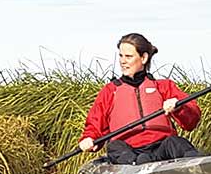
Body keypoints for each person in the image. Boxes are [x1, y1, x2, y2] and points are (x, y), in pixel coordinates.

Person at [77, 33, 203, 165]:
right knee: (115, 147)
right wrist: (89, 138)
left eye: (128, 57)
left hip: (161, 149)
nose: (122, 61)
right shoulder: (110, 91)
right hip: (129, 152)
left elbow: (192, 120)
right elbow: (95, 125)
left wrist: (179, 107)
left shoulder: (164, 87)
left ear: (143, 58)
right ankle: (141, 167)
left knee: (177, 142)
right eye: (120, 56)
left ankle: (198, 167)